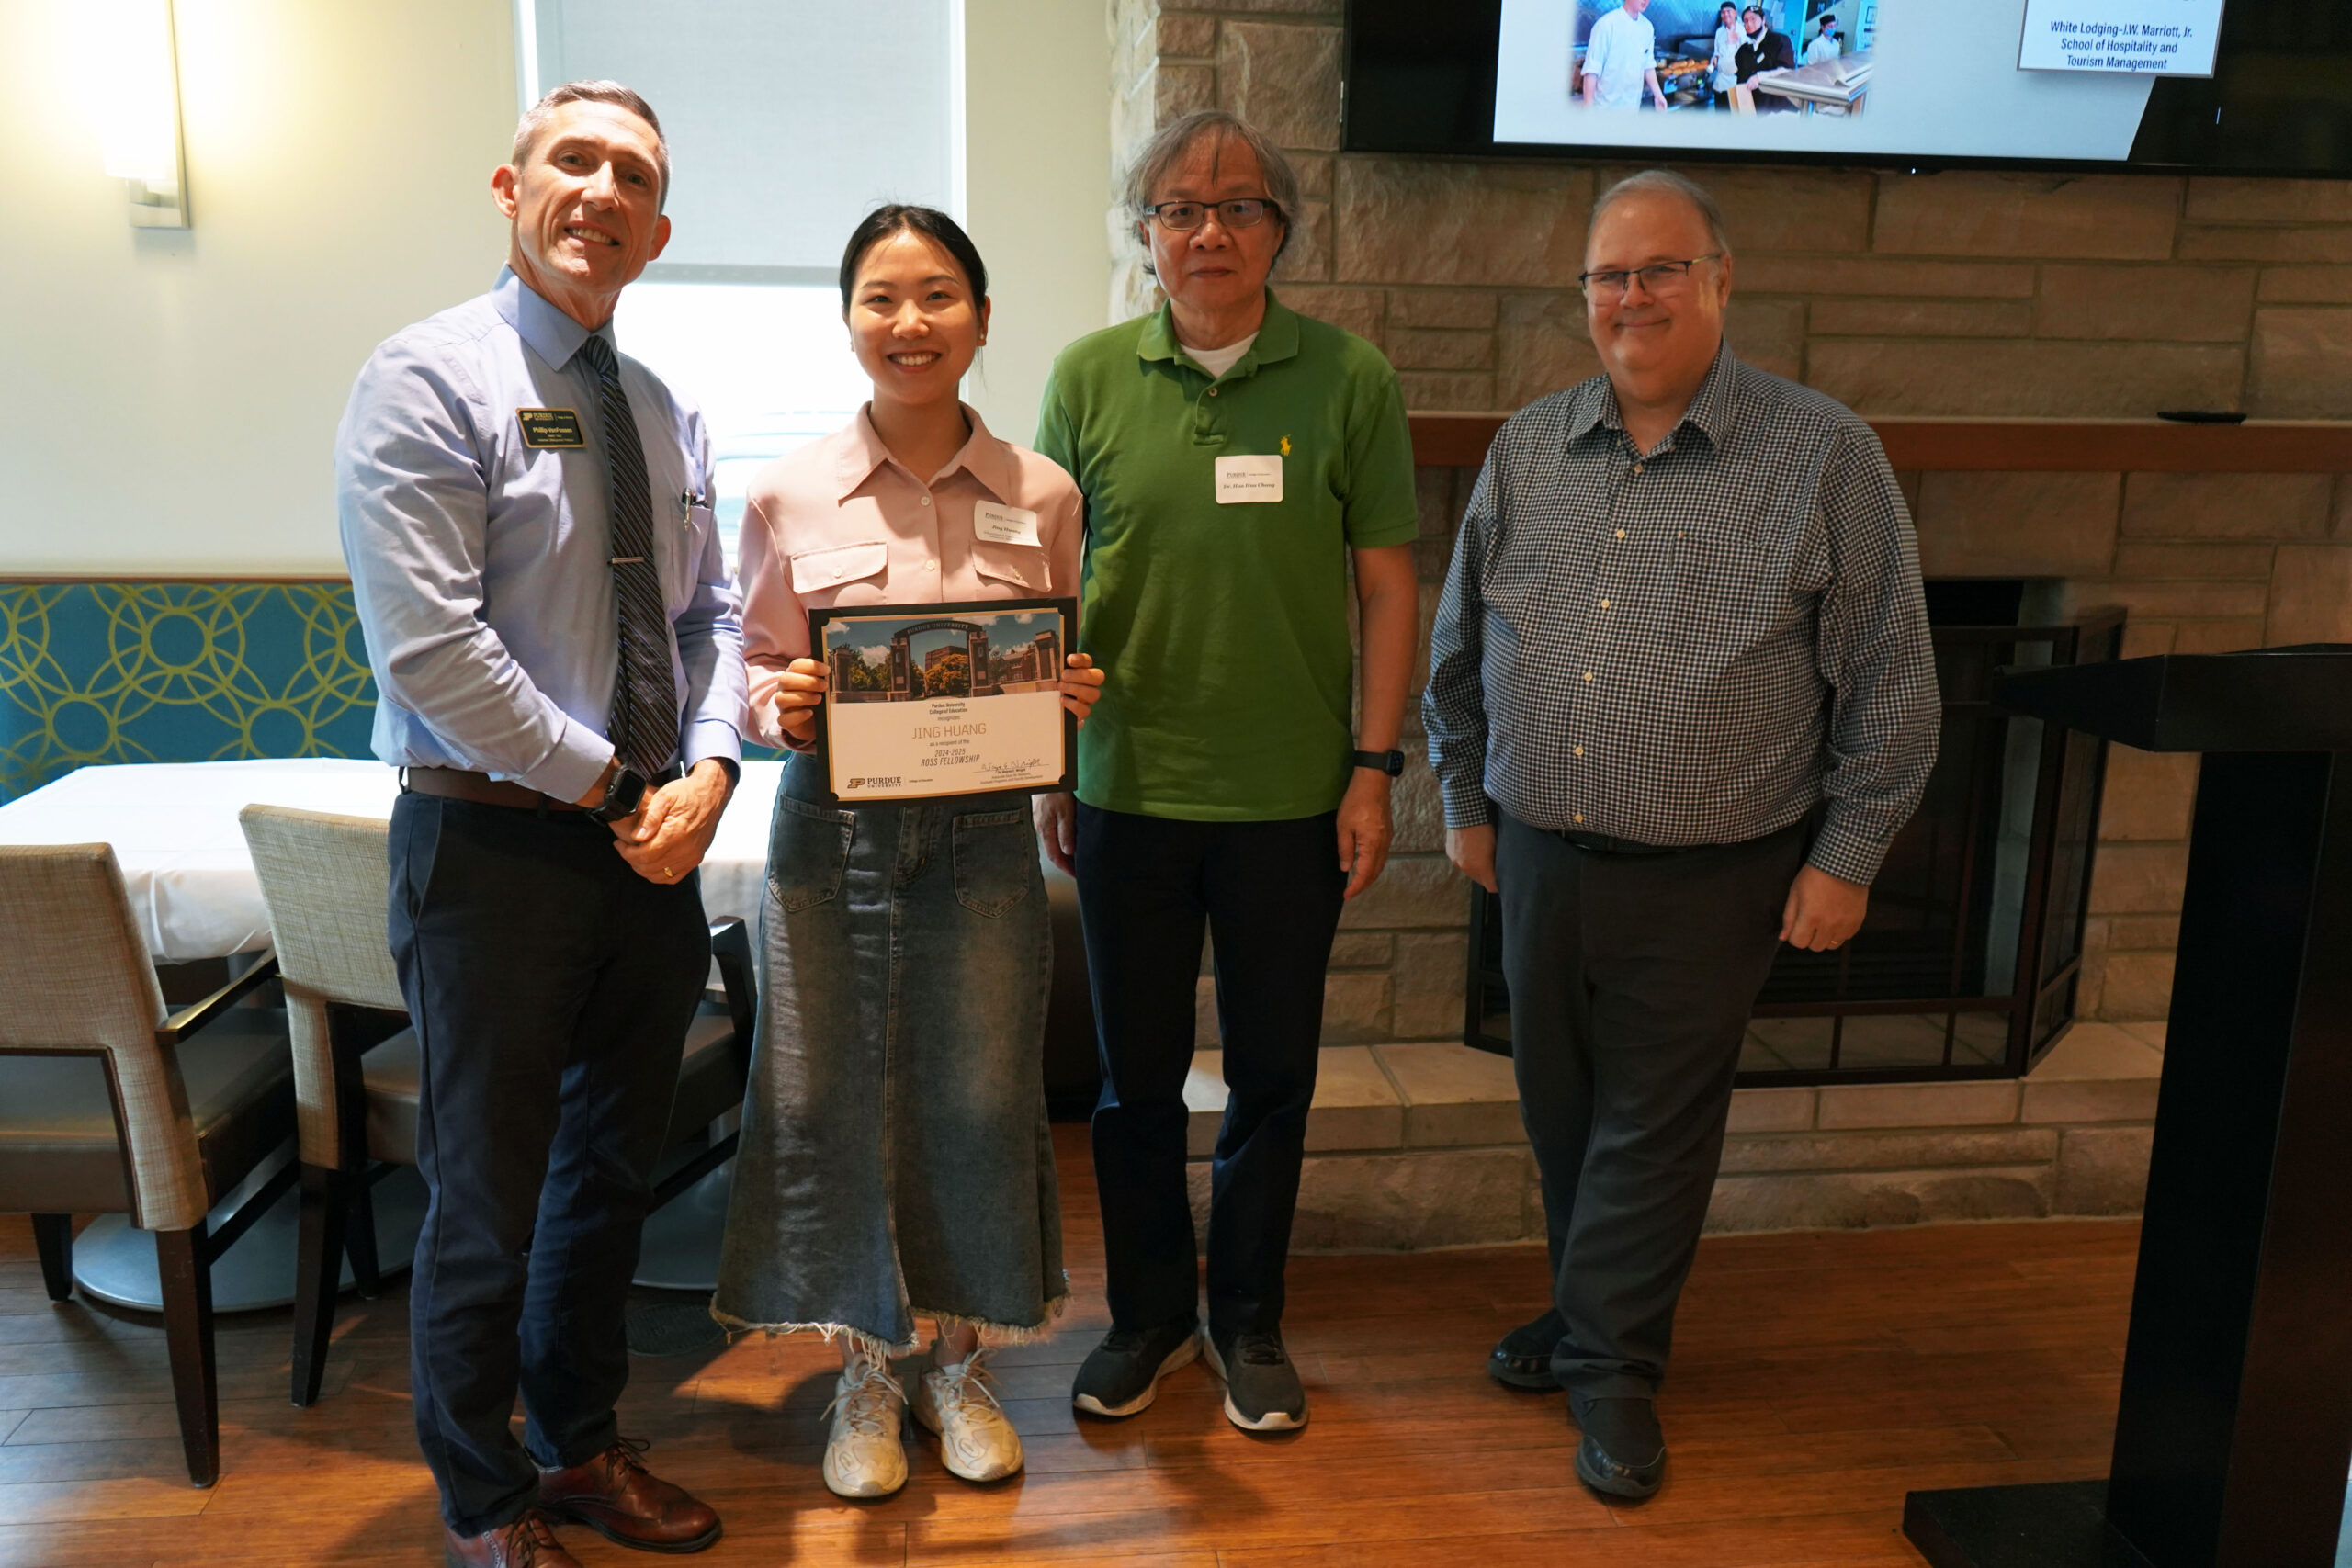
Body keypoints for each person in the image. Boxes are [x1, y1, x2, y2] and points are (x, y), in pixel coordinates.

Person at [1423, 169, 1937, 1502]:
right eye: (1609, 274)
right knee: (1563, 1110)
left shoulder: (1827, 454)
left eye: (1661, 269)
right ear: (1583, 295)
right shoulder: (1531, 446)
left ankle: (1612, 1366)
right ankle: (1592, 1315)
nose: (1631, 296)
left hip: (1717, 870)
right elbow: (1461, 645)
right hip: (1539, 854)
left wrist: (1849, 855)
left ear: (1720, 280)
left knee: (1654, 1121)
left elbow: (1892, 677)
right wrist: (1467, 800)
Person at [337, 80, 739, 1566]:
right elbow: (432, 653)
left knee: (611, 1174)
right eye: (575, 160)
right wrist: (624, 786)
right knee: (485, 1196)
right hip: (492, 849)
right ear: (510, 188)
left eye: (634, 173)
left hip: (652, 854)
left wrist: (706, 772)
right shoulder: (425, 379)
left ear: (659, 227)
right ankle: (483, 1495)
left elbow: (714, 624)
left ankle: (578, 1444)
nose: (603, 190)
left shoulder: (664, 404)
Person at [1033, 109, 1420, 1434]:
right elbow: (1054, 586)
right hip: (1125, 790)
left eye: (1239, 206)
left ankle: (1247, 1316)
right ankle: (1147, 1316)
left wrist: (1372, 768)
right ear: (1144, 234)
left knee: (1272, 1077)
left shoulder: (1349, 378)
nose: (1209, 229)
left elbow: (1385, 581)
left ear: (1279, 231)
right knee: (1132, 1081)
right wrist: (1050, 759)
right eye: (1180, 208)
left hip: (1292, 802)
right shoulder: (1084, 378)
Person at [709, 205, 1103, 1500]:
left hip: (984, 837)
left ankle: (955, 1358)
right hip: (832, 831)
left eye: (937, 295)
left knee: (980, 1094)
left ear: (981, 319)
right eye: (881, 297)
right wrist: (782, 704)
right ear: (849, 322)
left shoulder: (1043, 490)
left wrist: (1070, 689)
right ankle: (865, 1370)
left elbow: (1051, 649)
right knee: (832, 1095)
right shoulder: (784, 488)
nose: (910, 321)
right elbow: (756, 662)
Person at [1581, 0, 1669, 111]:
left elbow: (1648, 65)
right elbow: (1592, 70)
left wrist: (1658, 95)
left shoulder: (1647, 28)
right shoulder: (1607, 25)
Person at [1734, 5, 1800, 111]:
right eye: (1746, 21)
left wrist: (1759, 77)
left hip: (1775, 108)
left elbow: (1786, 70)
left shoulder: (1779, 41)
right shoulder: (1744, 50)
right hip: (1751, 107)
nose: (1749, 24)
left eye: (1753, 19)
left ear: (1763, 19)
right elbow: (1735, 71)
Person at [1709, 2, 1745, 108]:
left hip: (1735, 82)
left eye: (1729, 11)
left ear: (1735, 13)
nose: (1726, 15)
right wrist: (1714, 58)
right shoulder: (1719, 32)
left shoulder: (1743, 31)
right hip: (1720, 81)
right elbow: (1717, 52)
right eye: (1723, 12)